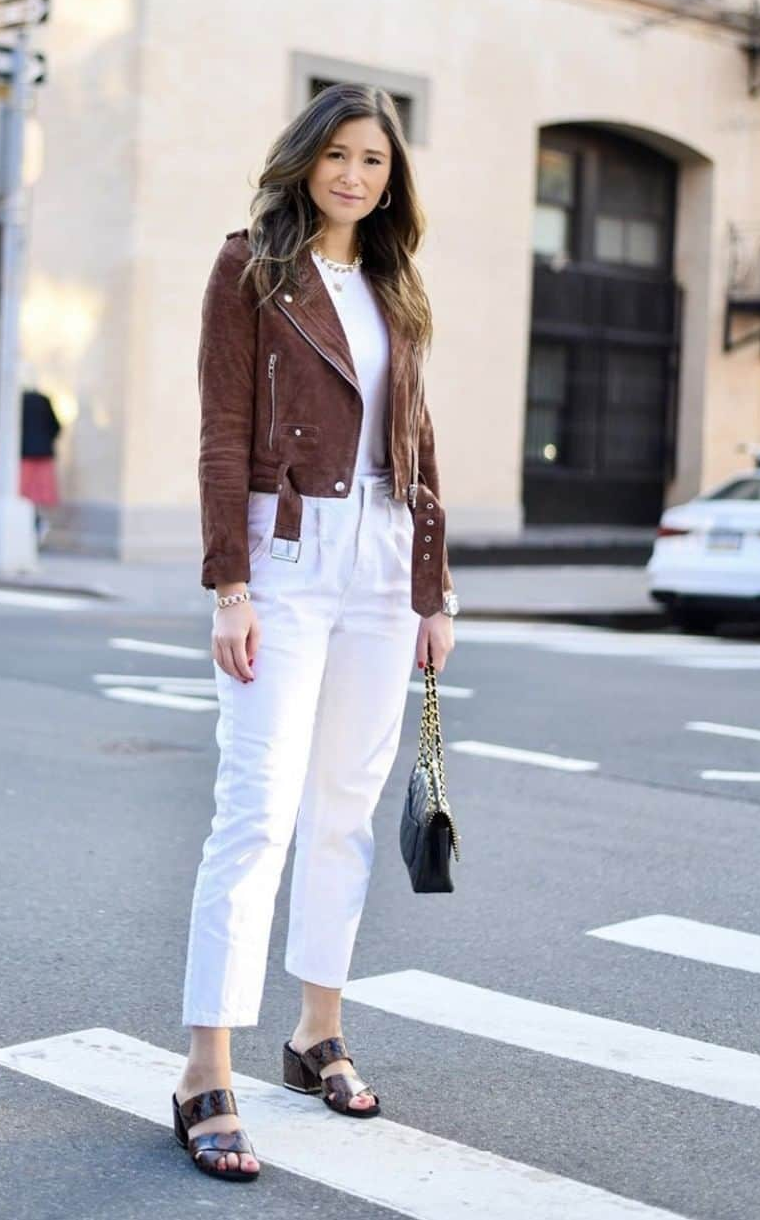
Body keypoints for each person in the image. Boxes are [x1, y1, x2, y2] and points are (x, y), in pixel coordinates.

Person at [172, 82, 459, 1182]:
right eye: (338, 155)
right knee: (255, 812)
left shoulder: (396, 283)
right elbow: (221, 432)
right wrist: (228, 586)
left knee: (344, 808)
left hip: (384, 562)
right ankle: (206, 1064)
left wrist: (434, 590)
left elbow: (420, 442)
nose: (354, 175)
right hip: (285, 561)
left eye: (373, 162)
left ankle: (316, 1028)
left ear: (392, 180)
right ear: (305, 160)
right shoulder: (249, 267)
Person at [19, 374, 61, 543]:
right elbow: (56, 426)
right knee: (37, 493)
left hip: (25, 454)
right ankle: (36, 523)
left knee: (24, 492)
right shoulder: (44, 400)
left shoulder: (19, 402)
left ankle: (34, 524)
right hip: (43, 452)